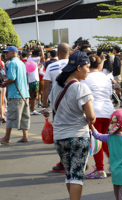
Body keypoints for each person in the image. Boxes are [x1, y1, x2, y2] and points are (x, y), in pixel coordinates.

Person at [48, 51, 95, 200]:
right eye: (87, 67)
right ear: (79, 67)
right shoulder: (80, 87)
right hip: (78, 136)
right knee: (77, 176)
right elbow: (91, 116)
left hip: (60, 137)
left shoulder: (56, 86)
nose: (88, 70)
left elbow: (54, 107)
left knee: (69, 174)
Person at [91, 110, 122, 200]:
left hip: (115, 173)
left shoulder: (109, 137)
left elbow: (97, 135)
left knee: (117, 196)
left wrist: (91, 125)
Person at [81, 54, 114, 179]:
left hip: (94, 111)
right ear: (99, 64)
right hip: (108, 110)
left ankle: (99, 169)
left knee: (96, 141)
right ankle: (114, 163)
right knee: (104, 138)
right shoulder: (105, 77)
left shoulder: (85, 77)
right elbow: (110, 95)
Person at [42, 43, 70, 173]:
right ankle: (78, 159)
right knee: (75, 131)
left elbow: (46, 87)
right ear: (69, 52)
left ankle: (64, 162)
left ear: (57, 53)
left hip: (58, 105)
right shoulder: (75, 64)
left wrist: (44, 106)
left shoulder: (51, 66)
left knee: (61, 134)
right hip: (75, 104)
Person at [0, 46, 30, 144]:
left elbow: (12, 78)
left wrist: (3, 84)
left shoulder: (12, 63)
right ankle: (25, 137)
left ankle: (6, 137)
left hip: (15, 94)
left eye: (7, 52)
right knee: (24, 116)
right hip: (24, 93)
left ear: (13, 53)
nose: (5, 54)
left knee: (11, 116)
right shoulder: (21, 63)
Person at [27, 47, 45, 115]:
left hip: (31, 79)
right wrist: (41, 49)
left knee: (31, 96)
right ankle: (32, 110)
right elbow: (43, 58)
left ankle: (29, 109)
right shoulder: (35, 58)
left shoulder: (30, 59)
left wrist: (38, 67)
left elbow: (33, 67)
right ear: (36, 55)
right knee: (34, 97)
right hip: (34, 79)